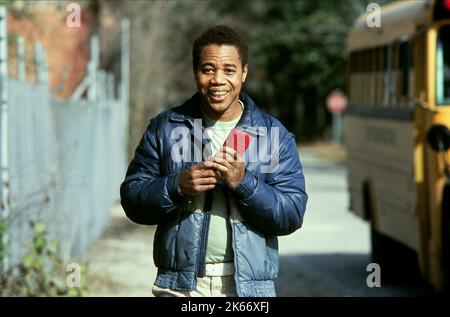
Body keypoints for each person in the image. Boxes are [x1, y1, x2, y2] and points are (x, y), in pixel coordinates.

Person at [120, 25, 308, 297]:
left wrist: (245, 184)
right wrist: (177, 185)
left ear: (244, 72)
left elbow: (291, 213)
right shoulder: (166, 128)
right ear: (195, 71)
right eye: (208, 69)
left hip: (248, 289)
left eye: (229, 70)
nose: (218, 80)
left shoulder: (272, 135)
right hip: (180, 286)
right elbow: (133, 199)